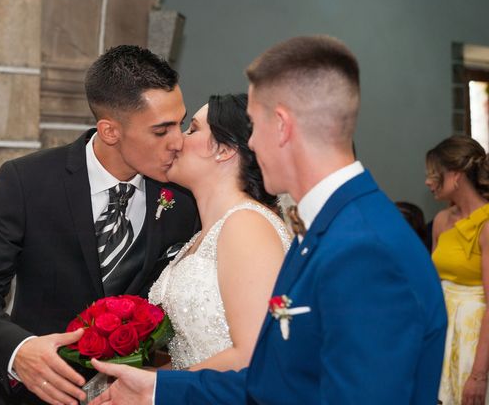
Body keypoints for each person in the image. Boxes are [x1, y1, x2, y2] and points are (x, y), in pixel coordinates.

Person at [87, 35, 447, 404]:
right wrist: (157, 390)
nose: (253, 145)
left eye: (255, 126)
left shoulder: (365, 248)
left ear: (282, 126)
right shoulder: (327, 230)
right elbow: (283, 382)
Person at [0, 45, 200, 405]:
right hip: (27, 396)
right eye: (161, 131)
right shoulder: (26, 180)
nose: (178, 142)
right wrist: (19, 350)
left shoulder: (184, 196)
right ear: (110, 130)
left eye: (180, 122)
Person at [148, 93, 291, 371]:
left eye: (193, 129)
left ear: (225, 149)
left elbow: (254, 355)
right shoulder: (207, 232)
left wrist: (154, 389)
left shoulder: (247, 225)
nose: (178, 141)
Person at [426, 135, 489, 405]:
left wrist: (478, 375)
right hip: (444, 331)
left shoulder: (486, 225)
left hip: (476, 338)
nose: (428, 181)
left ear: (457, 175)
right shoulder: (441, 220)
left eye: (434, 174)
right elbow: (430, 284)